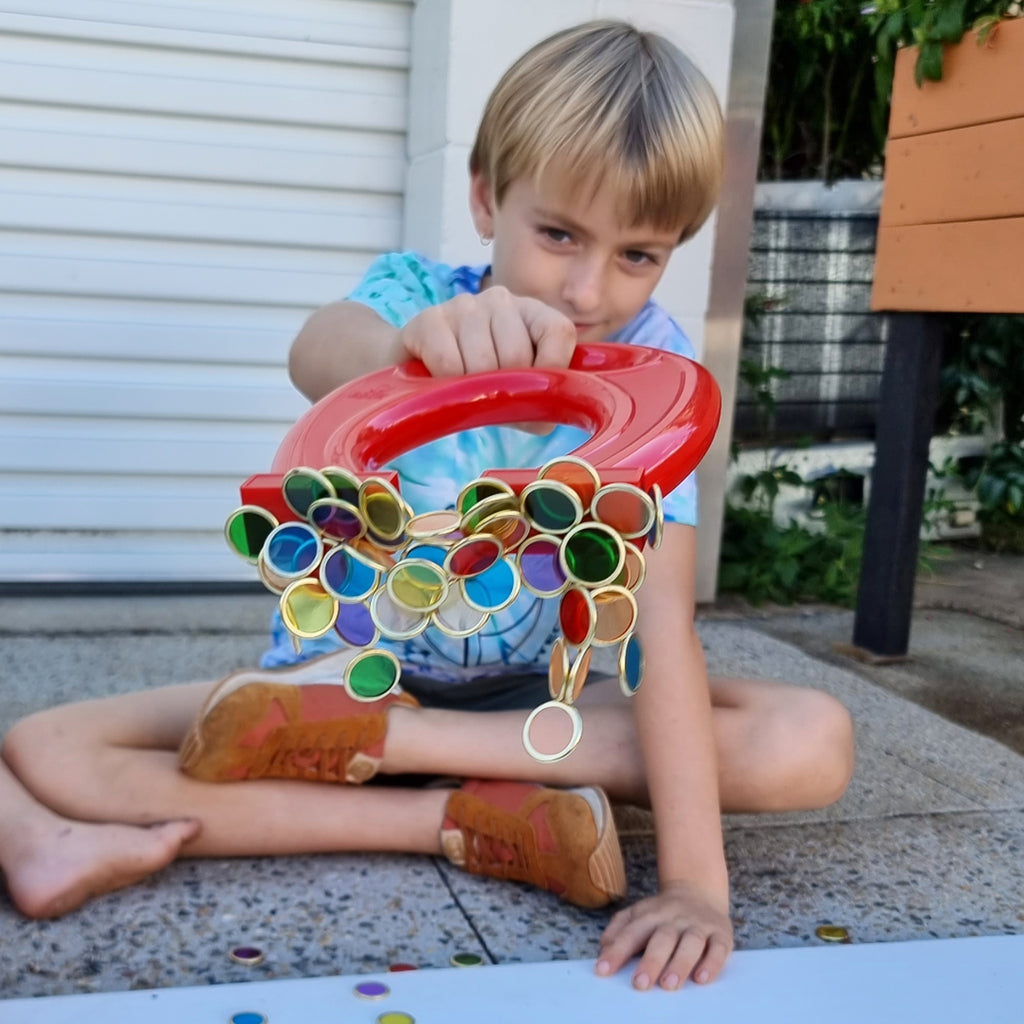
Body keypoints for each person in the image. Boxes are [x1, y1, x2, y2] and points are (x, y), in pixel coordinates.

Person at [0, 20, 854, 993]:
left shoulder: (656, 379)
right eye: (559, 234)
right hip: (342, 676)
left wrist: (699, 885)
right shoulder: (415, 297)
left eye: (638, 254)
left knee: (808, 737)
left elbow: (658, 630)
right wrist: (407, 350)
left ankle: (401, 749)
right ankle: (468, 818)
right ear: (488, 198)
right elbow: (319, 348)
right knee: (46, 746)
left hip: (533, 707)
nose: (587, 290)